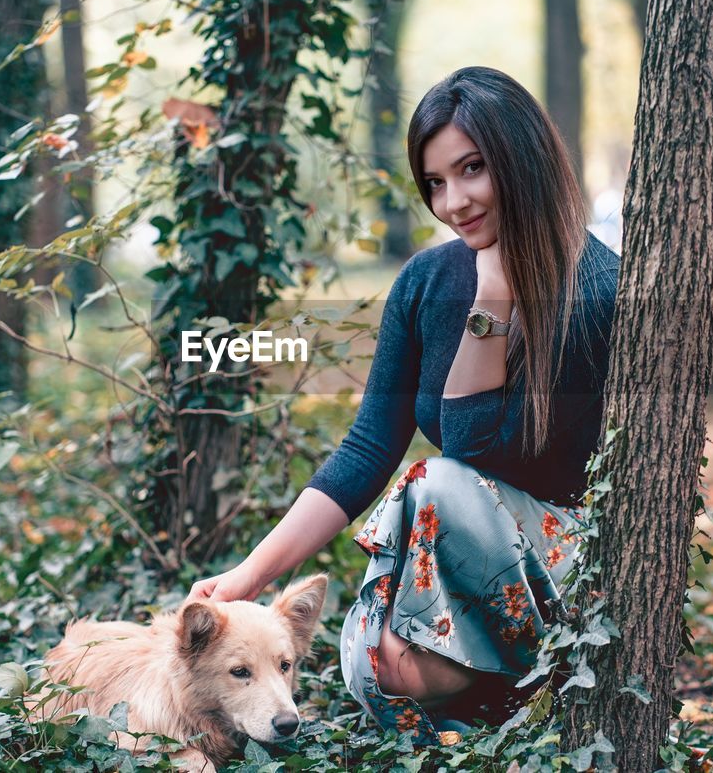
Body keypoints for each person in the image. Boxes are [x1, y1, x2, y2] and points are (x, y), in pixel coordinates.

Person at [190, 66, 620, 743]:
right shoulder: (426, 279)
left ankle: (534, 671)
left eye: (473, 169)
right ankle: (503, 691)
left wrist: (493, 297)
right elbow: (367, 448)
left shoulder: (600, 289)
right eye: (436, 183)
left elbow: (470, 448)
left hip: (562, 571)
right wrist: (247, 574)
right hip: (456, 562)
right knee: (371, 663)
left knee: (437, 481)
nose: (454, 202)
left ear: (522, 155)